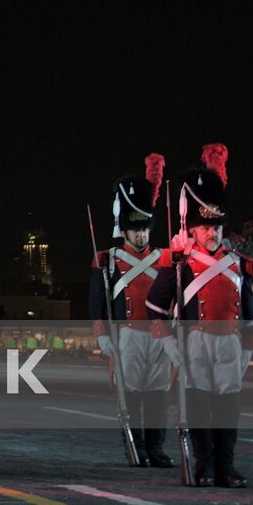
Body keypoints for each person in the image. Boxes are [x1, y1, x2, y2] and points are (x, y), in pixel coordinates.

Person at [147, 144, 253, 488]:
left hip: (229, 345)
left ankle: (226, 467)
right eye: (206, 228)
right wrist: (169, 345)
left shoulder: (238, 262)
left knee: (227, 409)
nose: (212, 233)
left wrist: (248, 348)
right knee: (197, 407)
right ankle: (205, 465)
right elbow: (154, 306)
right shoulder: (179, 262)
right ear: (192, 228)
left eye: (217, 228)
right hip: (194, 344)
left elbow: (249, 312)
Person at [89, 153, 172, 467]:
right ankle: (135, 447)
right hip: (126, 338)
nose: (141, 235)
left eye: (145, 229)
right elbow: (97, 305)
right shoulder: (106, 261)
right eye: (135, 229)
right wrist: (102, 336)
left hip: (158, 336)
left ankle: (156, 448)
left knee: (157, 396)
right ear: (123, 229)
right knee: (132, 397)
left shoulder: (164, 259)